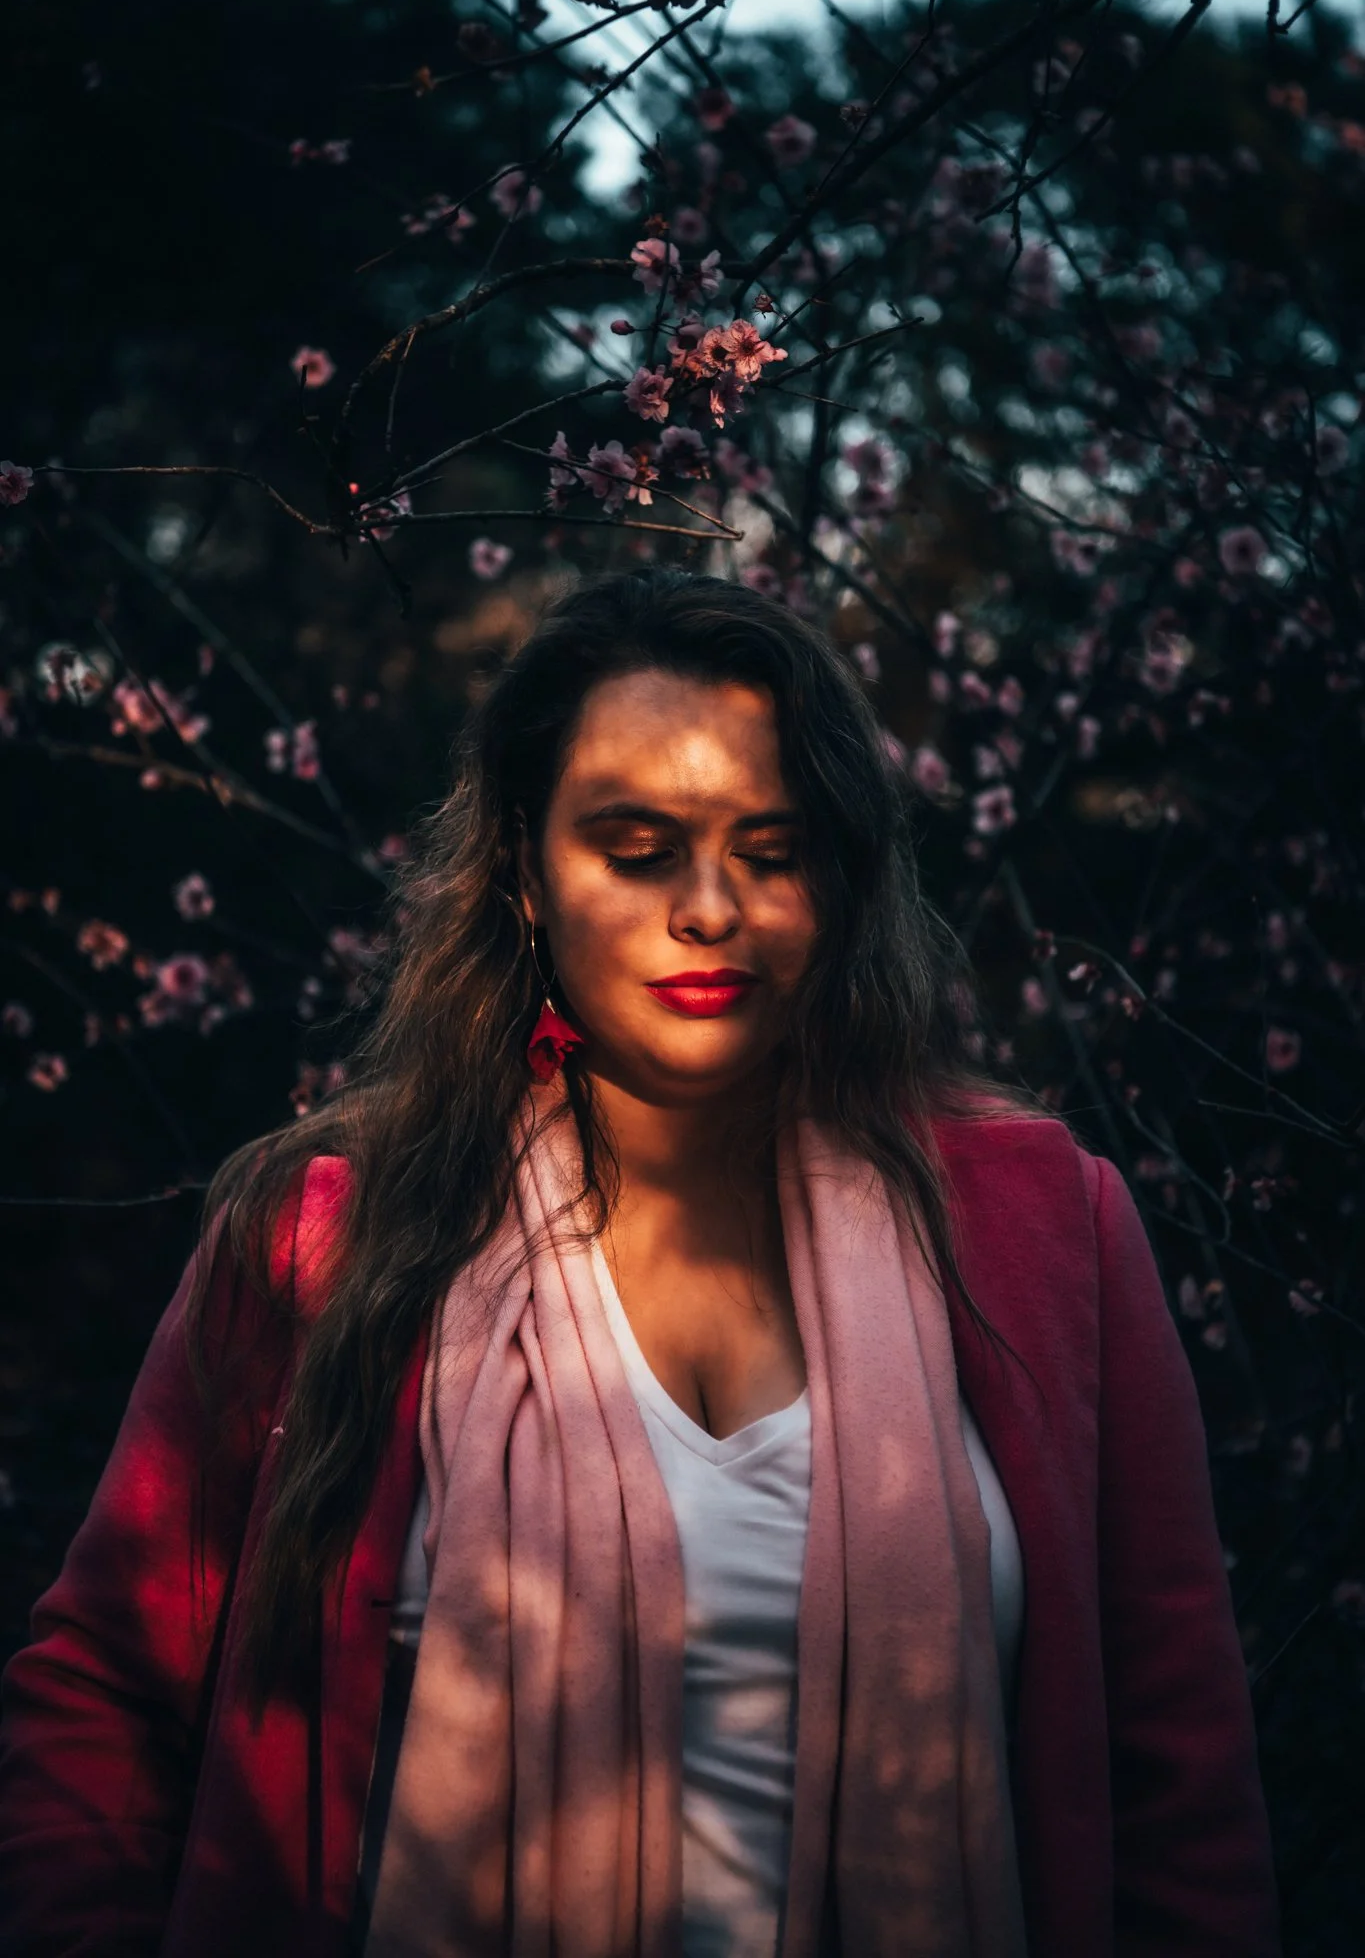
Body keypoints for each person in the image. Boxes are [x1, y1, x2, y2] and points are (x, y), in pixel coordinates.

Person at [0, 567, 1279, 1958]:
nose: (710, 908)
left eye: (773, 851)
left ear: (840, 879)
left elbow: (1183, 1797)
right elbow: (102, 1707)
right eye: (637, 845)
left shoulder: (1051, 1235)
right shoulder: (326, 1243)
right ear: (528, 880)